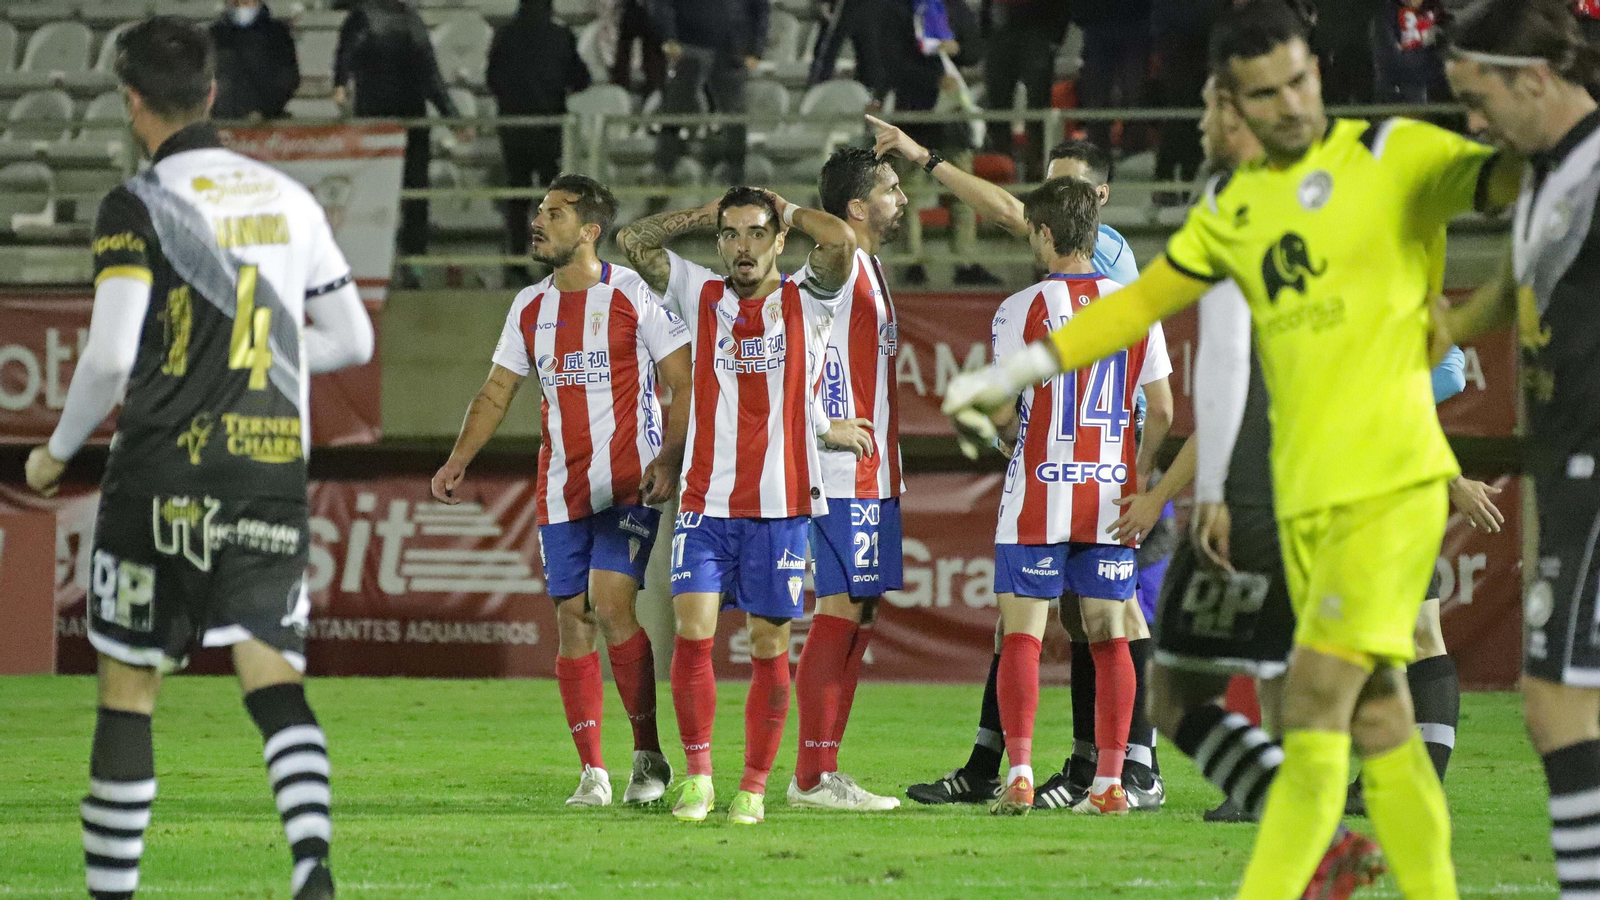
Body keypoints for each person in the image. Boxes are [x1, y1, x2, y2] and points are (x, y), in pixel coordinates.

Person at [941, 1, 1520, 894]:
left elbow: (1529, 188)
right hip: (1284, 488)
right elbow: (1138, 305)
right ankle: (1338, 857)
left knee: (1340, 703)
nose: (1289, 104)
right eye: (1263, 92)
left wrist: (1480, 303)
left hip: (1384, 485)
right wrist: (1014, 374)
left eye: (1301, 80)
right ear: (1234, 102)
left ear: (1318, 72)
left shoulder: (1393, 153)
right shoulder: (1234, 203)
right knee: (1187, 693)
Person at [23, 17, 374, 900]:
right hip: (264, 471)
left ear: (133, 101)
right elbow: (352, 337)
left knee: (129, 688)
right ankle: (312, 866)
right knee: (270, 670)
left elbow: (108, 357)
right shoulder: (290, 200)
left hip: (158, 478)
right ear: (214, 93)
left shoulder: (136, 204)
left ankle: (112, 891)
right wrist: (265, 362)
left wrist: (56, 453)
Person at [870, 124, 1164, 810]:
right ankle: (1100, 771)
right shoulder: (1127, 290)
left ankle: (1089, 769)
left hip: (1059, 474)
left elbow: (1010, 214)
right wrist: (1140, 469)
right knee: (1097, 622)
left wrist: (927, 160)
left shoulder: (1045, 292)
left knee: (1061, 625)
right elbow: (1167, 404)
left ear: (1087, 201)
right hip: (1111, 476)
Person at [428, 175, 692, 808]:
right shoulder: (529, 306)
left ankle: (648, 756)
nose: (538, 221)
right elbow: (497, 391)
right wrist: (459, 458)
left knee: (610, 603)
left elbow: (683, 379)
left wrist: (670, 458)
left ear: (590, 230)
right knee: (573, 622)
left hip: (627, 482)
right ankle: (594, 772)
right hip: (560, 488)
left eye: (553, 213)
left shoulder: (631, 293)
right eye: (539, 210)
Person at [615, 188, 869, 825]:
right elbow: (634, 242)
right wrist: (706, 214)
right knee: (694, 634)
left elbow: (841, 241)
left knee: (766, 645)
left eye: (757, 233)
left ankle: (753, 786)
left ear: (780, 239)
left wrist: (788, 208)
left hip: (781, 505)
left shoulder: (808, 298)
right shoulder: (700, 292)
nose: (743, 247)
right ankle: (699, 778)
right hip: (705, 501)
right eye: (731, 236)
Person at [1440, 3, 1600, 897]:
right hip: (1568, 462)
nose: (1472, 123)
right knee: (1564, 701)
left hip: (1595, 463)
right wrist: (1448, 328)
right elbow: (1521, 282)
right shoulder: (1548, 175)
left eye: (1477, 99)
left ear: (1533, 80)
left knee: (1555, 699)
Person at [974, 175, 1175, 815]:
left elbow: (1003, 403)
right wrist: (1135, 474)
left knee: (1024, 631)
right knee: (1111, 629)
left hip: (1039, 490)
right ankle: (1111, 783)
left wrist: (1010, 438)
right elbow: (1164, 410)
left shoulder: (1021, 308)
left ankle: (1022, 773)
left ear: (1043, 233)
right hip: (1108, 493)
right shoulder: (1137, 303)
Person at [789, 147, 908, 812]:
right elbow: (786, 359)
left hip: (875, 473)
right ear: (856, 207)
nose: (904, 199)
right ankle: (811, 777)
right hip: (839, 475)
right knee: (838, 611)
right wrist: (820, 426)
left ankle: (825, 769)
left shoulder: (871, 270)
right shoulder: (836, 267)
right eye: (891, 188)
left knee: (860, 614)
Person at [332, 0, 464, 283]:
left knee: (375, 196)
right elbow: (431, 76)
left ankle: (373, 265)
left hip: (375, 123)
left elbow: (346, 56)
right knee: (414, 198)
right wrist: (453, 118)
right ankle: (412, 266)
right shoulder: (411, 20)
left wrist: (340, 83)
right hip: (410, 122)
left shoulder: (362, 17)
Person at [485, 0, 590, 286]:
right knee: (551, 198)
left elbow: (491, 79)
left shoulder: (505, 35)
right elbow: (582, 79)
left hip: (514, 126)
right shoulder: (560, 36)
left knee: (517, 195)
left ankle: (516, 263)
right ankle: (549, 261)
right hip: (549, 126)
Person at [650, 0, 770, 184]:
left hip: (732, 48)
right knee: (674, 111)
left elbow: (760, 8)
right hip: (688, 46)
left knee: (735, 117)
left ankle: (736, 179)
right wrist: (669, 37)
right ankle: (662, 173)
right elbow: (662, 4)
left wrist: (756, 49)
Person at [210, 0, 299, 120]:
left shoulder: (278, 34)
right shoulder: (215, 34)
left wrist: (266, 109)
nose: (240, 7)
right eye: (235, 3)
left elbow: (288, 77)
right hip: (221, 117)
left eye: (246, 3)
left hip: (268, 118)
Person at [1371, 0, 1450, 104]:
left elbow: (1447, 53)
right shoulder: (1386, 15)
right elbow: (1392, 59)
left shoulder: (1439, 12)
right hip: (1402, 91)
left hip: (1437, 89)